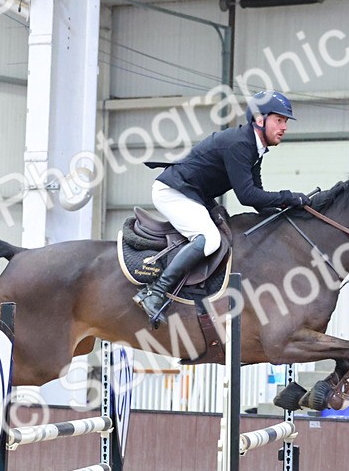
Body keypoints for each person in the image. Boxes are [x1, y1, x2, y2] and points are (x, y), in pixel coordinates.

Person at [133, 90, 312, 324]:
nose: (284, 127)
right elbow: (246, 196)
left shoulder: (254, 148)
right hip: (173, 192)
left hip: (195, 195)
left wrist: (287, 217)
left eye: (285, 121)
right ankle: (155, 293)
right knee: (209, 239)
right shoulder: (240, 145)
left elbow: (257, 197)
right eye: (279, 120)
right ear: (260, 119)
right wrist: (288, 196)